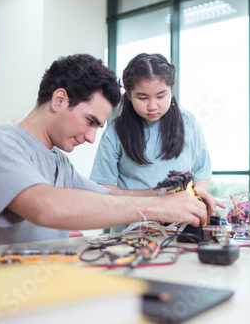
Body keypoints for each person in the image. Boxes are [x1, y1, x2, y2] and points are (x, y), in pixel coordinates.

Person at [0, 54, 212, 250]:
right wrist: (158, 207)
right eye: (90, 122)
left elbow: (110, 196)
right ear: (59, 100)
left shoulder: (59, 163)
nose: (91, 139)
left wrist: (171, 195)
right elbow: (46, 208)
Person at [90, 53, 220, 232]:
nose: (152, 106)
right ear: (128, 93)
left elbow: (201, 172)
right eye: (142, 98)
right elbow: (102, 189)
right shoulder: (115, 132)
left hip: (181, 230)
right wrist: (156, 199)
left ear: (171, 89)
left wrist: (193, 202)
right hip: (131, 233)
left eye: (160, 96)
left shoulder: (188, 124)